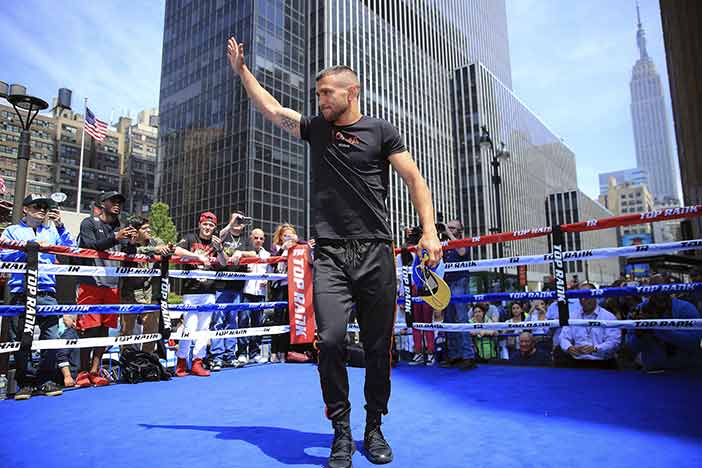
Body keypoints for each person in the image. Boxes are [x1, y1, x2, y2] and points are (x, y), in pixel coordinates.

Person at [228, 37, 442, 468]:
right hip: (329, 254)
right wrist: (243, 72)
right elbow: (273, 110)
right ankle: (341, 430)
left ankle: (374, 426)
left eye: (327, 93)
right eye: (318, 94)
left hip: (376, 253)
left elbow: (415, 179)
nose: (320, 100)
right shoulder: (317, 129)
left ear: (352, 92)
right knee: (328, 341)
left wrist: (430, 231)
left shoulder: (382, 131)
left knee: (380, 346)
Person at [0, 194, 75, 400]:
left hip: (46, 291)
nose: (42, 209)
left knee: (51, 337)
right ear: (25, 209)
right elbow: (4, 254)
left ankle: (46, 380)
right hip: (20, 293)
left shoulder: (52, 230)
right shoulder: (12, 230)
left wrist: (60, 224)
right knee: (21, 339)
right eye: (37, 206)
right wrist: (30, 247)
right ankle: (26, 382)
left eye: (45, 207)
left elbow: (71, 247)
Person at [75, 191, 136, 388]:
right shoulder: (89, 223)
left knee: (104, 328)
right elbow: (90, 245)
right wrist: (115, 238)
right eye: (113, 201)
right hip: (91, 282)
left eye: (120, 202)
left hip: (112, 284)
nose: (117, 205)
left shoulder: (121, 227)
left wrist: (132, 243)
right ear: (103, 203)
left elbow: (129, 255)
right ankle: (82, 372)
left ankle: (95, 370)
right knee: (88, 328)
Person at [173, 212, 228, 377]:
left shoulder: (215, 243)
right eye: (205, 224)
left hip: (209, 291)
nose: (208, 228)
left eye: (211, 225)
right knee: (189, 327)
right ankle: (181, 361)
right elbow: (176, 249)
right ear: (200, 224)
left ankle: (198, 361)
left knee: (204, 329)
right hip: (191, 290)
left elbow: (224, 263)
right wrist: (196, 256)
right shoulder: (190, 238)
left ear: (214, 228)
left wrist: (220, 250)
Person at [119, 215, 174, 354]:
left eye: (149, 227)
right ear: (135, 232)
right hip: (129, 293)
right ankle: (127, 362)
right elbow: (128, 253)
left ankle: (146, 361)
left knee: (151, 331)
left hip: (151, 293)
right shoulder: (126, 243)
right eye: (144, 228)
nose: (149, 230)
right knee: (126, 331)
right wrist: (153, 250)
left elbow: (162, 246)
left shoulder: (155, 241)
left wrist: (165, 249)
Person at [625, 275, 702, 372]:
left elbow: (694, 342)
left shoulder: (686, 308)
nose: (660, 295)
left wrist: (658, 329)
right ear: (649, 291)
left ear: (670, 290)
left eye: (663, 290)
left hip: (686, 369)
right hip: (654, 370)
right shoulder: (638, 310)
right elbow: (631, 349)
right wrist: (639, 335)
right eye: (656, 291)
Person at [209, 212, 247, 370]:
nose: (238, 222)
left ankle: (230, 356)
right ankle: (217, 356)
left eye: (240, 221)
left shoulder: (245, 241)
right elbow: (219, 237)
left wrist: (241, 252)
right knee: (218, 321)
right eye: (235, 219)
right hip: (221, 286)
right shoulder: (222, 235)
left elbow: (254, 252)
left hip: (237, 287)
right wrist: (231, 222)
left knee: (232, 322)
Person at [440, 220, 476, 370]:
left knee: (461, 318)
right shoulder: (444, 243)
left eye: (452, 227)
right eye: (448, 226)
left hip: (459, 281)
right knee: (448, 319)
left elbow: (462, 251)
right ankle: (455, 355)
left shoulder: (463, 241)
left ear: (460, 230)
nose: (449, 229)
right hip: (446, 283)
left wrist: (447, 233)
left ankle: (468, 356)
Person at [558, 282, 621, 369]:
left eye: (586, 296)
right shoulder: (573, 316)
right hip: (577, 363)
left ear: (594, 296)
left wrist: (596, 348)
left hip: (603, 364)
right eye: (581, 296)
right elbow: (563, 337)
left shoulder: (608, 317)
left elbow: (614, 342)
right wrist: (569, 348)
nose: (583, 299)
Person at [236, 228, 270, 366]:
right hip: (245, 291)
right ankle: (242, 353)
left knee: (258, 324)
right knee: (243, 322)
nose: (259, 240)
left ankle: (255, 353)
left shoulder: (267, 255)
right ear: (251, 238)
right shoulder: (244, 252)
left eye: (261, 238)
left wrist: (266, 280)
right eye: (256, 238)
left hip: (260, 294)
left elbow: (269, 272)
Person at [268, 223, 299, 363]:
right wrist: (282, 250)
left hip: (292, 287)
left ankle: (283, 351)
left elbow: (306, 243)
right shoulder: (275, 247)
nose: (287, 238)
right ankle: (274, 351)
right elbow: (272, 262)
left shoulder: (297, 247)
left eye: (290, 235)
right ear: (280, 236)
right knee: (277, 319)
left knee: (288, 320)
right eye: (285, 235)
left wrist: (295, 240)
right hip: (278, 286)